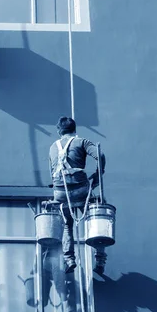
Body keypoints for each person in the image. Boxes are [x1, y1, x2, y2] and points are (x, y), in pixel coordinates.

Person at [49, 116, 105, 274]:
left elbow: (52, 172)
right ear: (74, 129)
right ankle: (100, 259)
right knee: (96, 218)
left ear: (59, 131)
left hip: (60, 192)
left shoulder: (53, 147)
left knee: (67, 225)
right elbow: (100, 156)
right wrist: (98, 175)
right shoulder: (82, 142)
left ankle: (69, 259)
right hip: (80, 189)